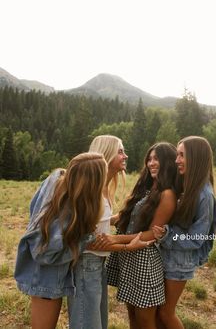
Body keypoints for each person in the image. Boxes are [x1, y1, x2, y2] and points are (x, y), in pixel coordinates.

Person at [67, 135, 153, 329]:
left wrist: (119, 219)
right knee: (87, 324)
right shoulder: (92, 189)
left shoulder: (103, 186)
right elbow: (90, 241)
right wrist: (128, 246)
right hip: (86, 264)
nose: (125, 156)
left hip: (97, 264)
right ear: (107, 153)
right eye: (120, 151)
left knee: (97, 323)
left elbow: (97, 223)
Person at [14, 152, 108, 329]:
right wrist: (85, 241)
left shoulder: (55, 179)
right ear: (92, 182)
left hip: (44, 275)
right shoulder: (70, 211)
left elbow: (33, 208)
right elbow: (45, 253)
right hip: (46, 278)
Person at [105, 142, 178, 329]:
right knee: (132, 316)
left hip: (145, 262)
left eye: (157, 159)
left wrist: (114, 239)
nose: (152, 163)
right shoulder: (146, 188)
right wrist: (101, 220)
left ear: (168, 162)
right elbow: (124, 216)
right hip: (129, 257)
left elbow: (151, 234)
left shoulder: (167, 194)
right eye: (150, 159)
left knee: (146, 321)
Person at [152, 136, 216, 329]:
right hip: (169, 257)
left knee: (165, 313)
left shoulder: (204, 195)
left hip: (180, 263)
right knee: (158, 313)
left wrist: (167, 236)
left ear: (196, 158)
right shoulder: (186, 185)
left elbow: (197, 239)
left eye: (182, 155)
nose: (177, 160)